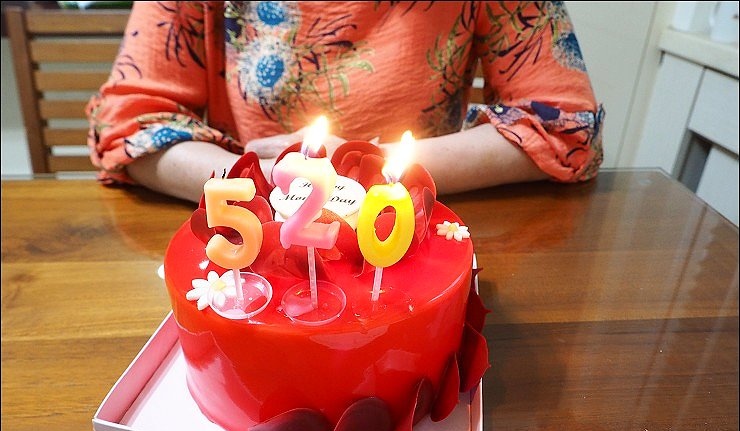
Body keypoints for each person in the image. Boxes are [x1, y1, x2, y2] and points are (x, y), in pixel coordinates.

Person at [86, 1, 604, 204]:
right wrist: (260, 184)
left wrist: (363, 166)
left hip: (410, 227)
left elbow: (568, 128)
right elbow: (129, 126)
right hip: (254, 237)